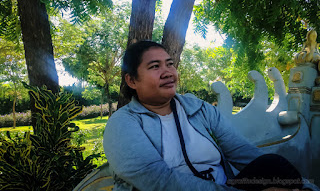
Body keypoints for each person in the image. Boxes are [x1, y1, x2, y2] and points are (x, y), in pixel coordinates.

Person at [103, 40, 317, 191]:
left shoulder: (198, 108)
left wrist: (301, 185)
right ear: (132, 80)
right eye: (154, 66)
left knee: (273, 164)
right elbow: (158, 181)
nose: (168, 72)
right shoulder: (123, 123)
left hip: (226, 186)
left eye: (170, 64)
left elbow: (240, 151)